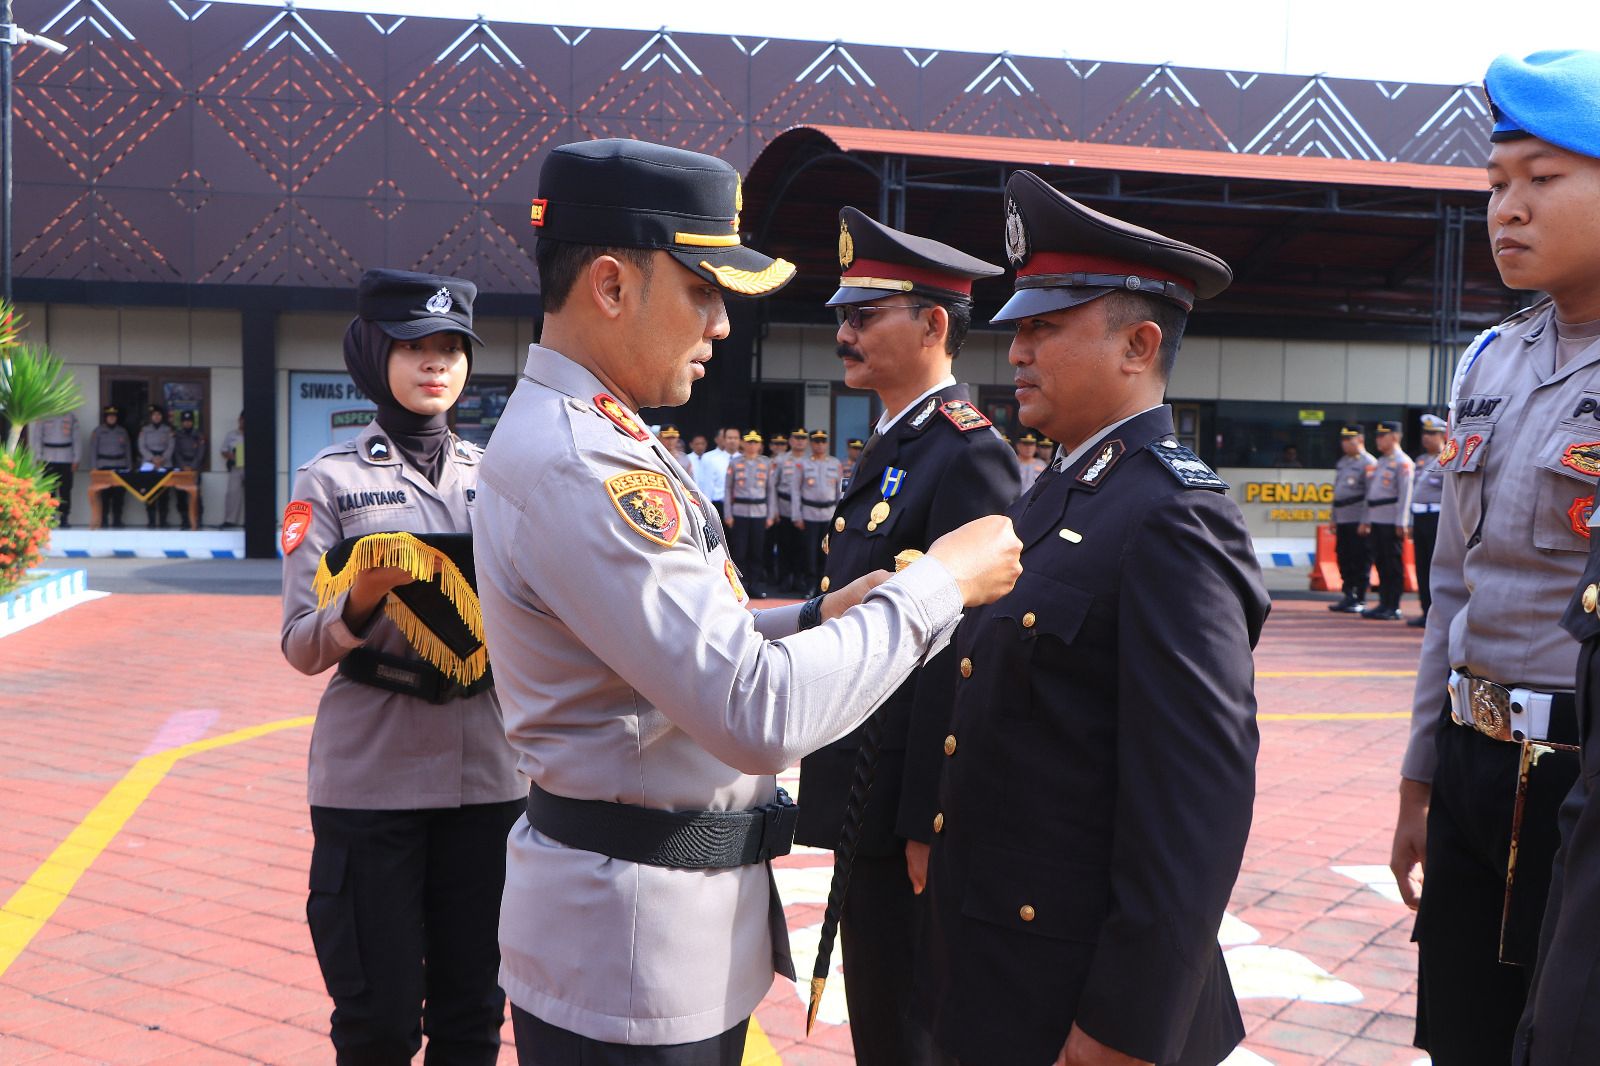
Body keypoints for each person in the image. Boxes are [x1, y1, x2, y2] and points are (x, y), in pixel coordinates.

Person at [470, 137, 1022, 1066]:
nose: (722, 324)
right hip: (632, 954)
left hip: (650, 928)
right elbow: (755, 711)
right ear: (611, 286)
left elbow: (658, 643)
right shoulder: (582, 464)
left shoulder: (603, 436)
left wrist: (812, 618)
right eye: (703, 290)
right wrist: (940, 584)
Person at [916, 172, 1267, 1066]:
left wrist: (1127, 1024)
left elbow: (1194, 802)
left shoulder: (1171, 516)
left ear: (1138, 346)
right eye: (1018, 330)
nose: (1016, 352)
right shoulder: (1059, 489)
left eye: (1045, 328)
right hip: (999, 962)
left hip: (1077, 992)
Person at [1388, 49, 1596, 1066]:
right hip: (1473, 762)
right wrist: (1419, 777)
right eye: (1495, 183)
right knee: (1463, 1035)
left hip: (1582, 777)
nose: (1507, 209)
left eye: (1542, 179)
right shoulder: (1488, 360)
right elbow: (1451, 589)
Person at [280, 268, 524, 1065]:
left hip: (489, 777)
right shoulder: (331, 480)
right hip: (373, 779)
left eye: (452, 347)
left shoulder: (498, 477)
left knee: (473, 1014)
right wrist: (361, 600)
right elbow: (300, 645)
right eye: (415, 346)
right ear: (373, 353)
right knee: (378, 1022)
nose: (436, 363)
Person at [798, 206, 1018, 1066]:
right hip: (867, 782)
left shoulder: (965, 452)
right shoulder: (894, 442)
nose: (844, 334)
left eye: (864, 315)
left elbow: (967, 648)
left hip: (902, 805)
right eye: (842, 317)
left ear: (933, 326)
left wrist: (930, 810)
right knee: (881, 1017)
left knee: (906, 1028)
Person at [1360, 420, 1414, 621]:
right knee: (1381, 562)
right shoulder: (1381, 462)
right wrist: (1366, 519)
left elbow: (1406, 494)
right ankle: (1383, 602)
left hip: (1391, 519)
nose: (1378, 440)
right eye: (1378, 436)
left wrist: (1402, 521)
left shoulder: (1403, 462)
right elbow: (1371, 494)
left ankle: (1393, 605)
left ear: (1395, 437)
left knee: (1392, 564)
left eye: (1383, 436)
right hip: (1377, 518)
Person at [1328, 424, 1377, 612]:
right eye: (1343, 440)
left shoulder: (1368, 462)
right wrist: (1333, 517)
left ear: (1361, 440)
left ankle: (1360, 597)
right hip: (1343, 517)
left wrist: (1366, 520)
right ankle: (1348, 595)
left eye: (1350, 439)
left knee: (1360, 558)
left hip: (1358, 518)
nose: (1345, 443)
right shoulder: (1343, 462)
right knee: (1344, 557)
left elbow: (1370, 495)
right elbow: (1337, 493)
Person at [721, 429, 776, 598]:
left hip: (759, 512)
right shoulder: (735, 463)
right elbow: (728, 489)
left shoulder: (766, 463)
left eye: (755, 442)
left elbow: (771, 490)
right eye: (749, 442)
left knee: (757, 551)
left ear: (760, 445)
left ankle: (755, 585)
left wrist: (770, 514)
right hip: (740, 512)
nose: (752, 445)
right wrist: (728, 514)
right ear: (743, 444)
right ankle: (739, 585)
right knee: (739, 551)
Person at [1408, 414, 1447, 627]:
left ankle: (1436, 612)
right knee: (1421, 566)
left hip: (1436, 518)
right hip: (1420, 516)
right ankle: (1425, 610)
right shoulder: (1421, 460)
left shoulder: (1448, 457)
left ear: (1442, 435)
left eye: (1432, 433)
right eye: (1425, 433)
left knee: (1435, 566)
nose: (1426, 437)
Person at [792, 430, 843, 595]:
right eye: (816, 441)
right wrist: (796, 515)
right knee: (810, 552)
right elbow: (796, 491)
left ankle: (824, 586)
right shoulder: (803, 464)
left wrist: (840, 514)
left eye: (823, 441)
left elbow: (840, 492)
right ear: (811, 444)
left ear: (827, 443)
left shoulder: (835, 464)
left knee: (827, 552)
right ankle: (810, 585)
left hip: (829, 514)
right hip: (809, 514)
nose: (820, 445)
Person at [773, 428, 810, 591]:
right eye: (796, 438)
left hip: (806, 510)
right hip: (784, 508)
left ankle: (799, 579)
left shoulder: (811, 460)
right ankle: (784, 579)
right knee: (784, 545)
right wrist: (774, 510)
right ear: (790, 441)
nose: (800, 441)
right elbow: (772, 486)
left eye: (803, 438)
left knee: (802, 547)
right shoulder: (780, 460)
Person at [32, 409, 79, 526]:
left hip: (66, 458)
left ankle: (64, 518)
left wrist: (76, 458)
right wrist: (38, 456)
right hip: (48, 458)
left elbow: (77, 439)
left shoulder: (71, 417)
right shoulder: (43, 416)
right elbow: (37, 437)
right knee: (49, 490)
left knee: (65, 490)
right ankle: (49, 517)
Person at [88, 405, 132, 527]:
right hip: (104, 466)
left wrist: (128, 466)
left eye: (114, 416)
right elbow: (93, 450)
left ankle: (117, 520)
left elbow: (127, 450)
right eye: (109, 416)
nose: (112, 418)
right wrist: (94, 467)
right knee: (105, 495)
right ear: (105, 418)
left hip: (120, 466)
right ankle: (104, 520)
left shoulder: (122, 431)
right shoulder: (98, 431)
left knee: (119, 496)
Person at [171, 411, 206, 530]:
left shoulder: (199, 435)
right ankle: (185, 520)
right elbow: (176, 452)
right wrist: (183, 466)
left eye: (189, 421)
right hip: (181, 468)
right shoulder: (177, 435)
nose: (187, 423)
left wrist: (192, 466)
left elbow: (200, 453)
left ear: (193, 422)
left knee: (196, 495)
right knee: (181, 495)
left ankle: (197, 520)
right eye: (185, 421)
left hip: (194, 468)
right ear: (181, 423)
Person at [695, 424, 733, 506]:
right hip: (716, 502)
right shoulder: (708, 457)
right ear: (716, 439)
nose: (728, 440)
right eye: (724, 436)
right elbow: (704, 482)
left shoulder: (738, 457)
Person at [220, 412, 245, 529]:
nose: (243, 422)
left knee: (253, 494)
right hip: (236, 466)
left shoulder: (256, 433)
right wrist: (231, 456)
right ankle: (230, 520)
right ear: (239, 420)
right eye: (242, 419)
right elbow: (223, 450)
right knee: (232, 493)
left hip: (252, 468)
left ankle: (252, 520)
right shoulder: (231, 435)